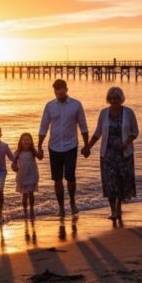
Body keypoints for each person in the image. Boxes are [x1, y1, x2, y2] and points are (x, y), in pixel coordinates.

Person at [84, 86, 139, 221]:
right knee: (110, 183)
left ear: (121, 99)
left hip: (124, 154)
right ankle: (113, 210)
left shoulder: (129, 112)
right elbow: (98, 133)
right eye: (111, 98)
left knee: (121, 182)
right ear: (108, 100)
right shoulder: (104, 113)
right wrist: (88, 147)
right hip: (107, 154)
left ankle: (119, 207)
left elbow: (135, 132)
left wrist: (126, 143)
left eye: (116, 98)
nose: (114, 101)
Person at [37, 79, 90, 216]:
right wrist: (39, 146)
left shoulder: (76, 105)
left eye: (62, 89)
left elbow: (83, 126)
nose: (59, 92)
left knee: (70, 177)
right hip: (54, 147)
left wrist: (87, 145)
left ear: (66, 89)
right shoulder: (49, 106)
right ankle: (61, 207)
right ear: (54, 91)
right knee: (57, 179)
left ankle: (72, 202)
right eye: (57, 90)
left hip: (70, 146)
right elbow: (44, 126)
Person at [11, 132, 40, 219]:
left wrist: (40, 149)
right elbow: (13, 164)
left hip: (32, 174)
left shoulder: (33, 151)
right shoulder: (17, 152)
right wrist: (14, 167)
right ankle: (25, 210)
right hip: (22, 175)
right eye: (24, 140)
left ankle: (31, 209)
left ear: (31, 141)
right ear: (21, 141)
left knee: (31, 193)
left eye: (28, 140)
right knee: (24, 195)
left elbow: (40, 157)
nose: (26, 141)